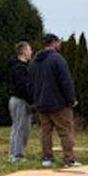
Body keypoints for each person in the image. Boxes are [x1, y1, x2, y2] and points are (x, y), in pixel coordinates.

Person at [28, 33, 81, 167]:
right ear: (54, 43)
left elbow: (31, 82)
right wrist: (71, 99)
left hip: (41, 103)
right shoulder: (57, 59)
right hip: (58, 103)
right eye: (58, 43)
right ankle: (68, 159)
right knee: (65, 131)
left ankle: (47, 158)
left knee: (45, 132)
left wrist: (35, 100)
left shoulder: (35, 60)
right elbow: (65, 81)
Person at [8, 41, 33, 162]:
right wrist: (31, 100)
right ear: (23, 51)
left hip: (18, 99)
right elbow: (22, 86)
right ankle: (17, 155)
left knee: (17, 127)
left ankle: (13, 153)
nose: (31, 52)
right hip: (20, 100)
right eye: (29, 50)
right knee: (21, 128)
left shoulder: (21, 66)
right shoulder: (19, 68)